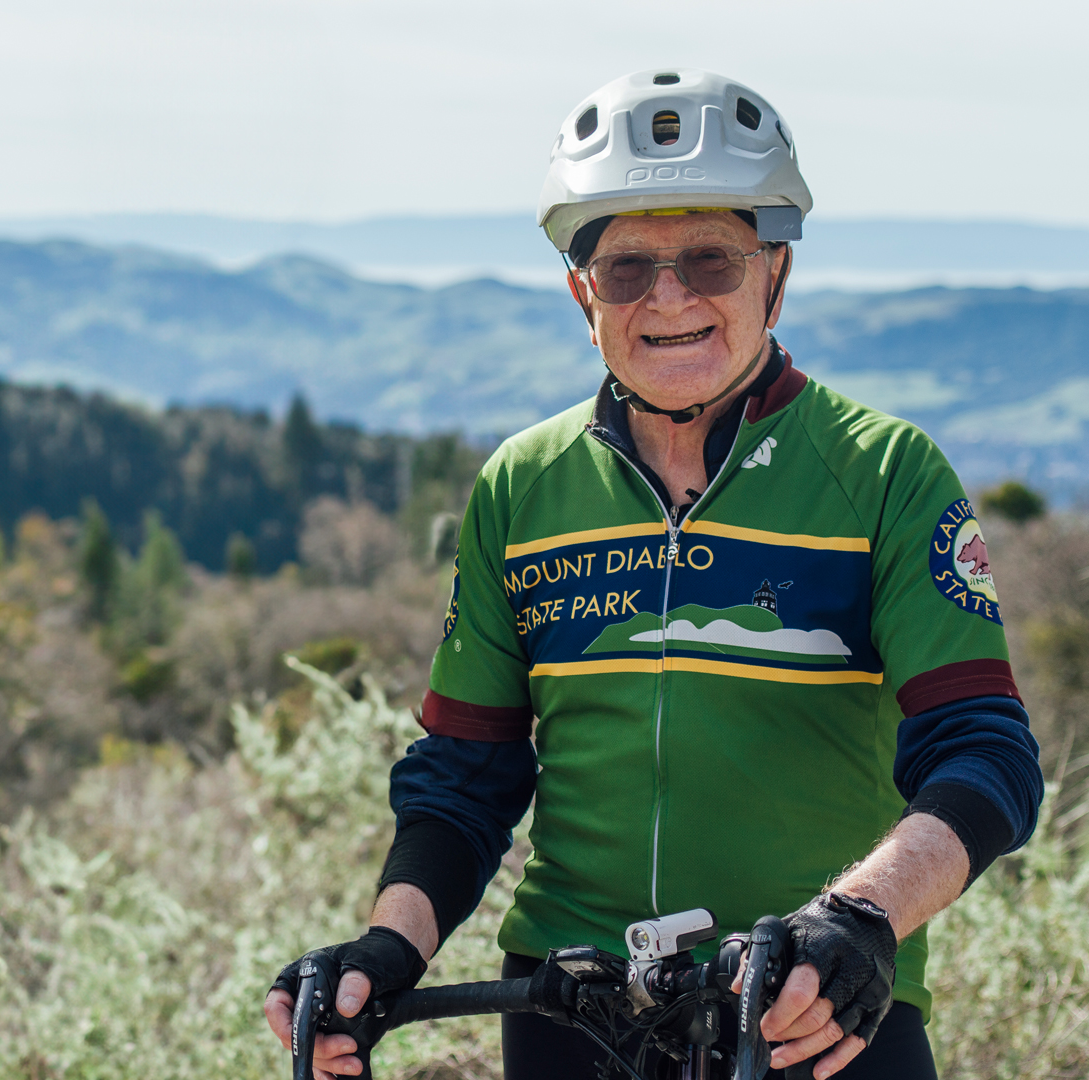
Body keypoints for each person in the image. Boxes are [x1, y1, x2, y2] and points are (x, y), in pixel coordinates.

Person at [265, 68, 1043, 1080]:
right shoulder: (524, 487)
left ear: (776, 271)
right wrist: (388, 950)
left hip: (814, 1003)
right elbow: (466, 780)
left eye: (710, 260)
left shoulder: (884, 473)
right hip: (569, 1012)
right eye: (627, 269)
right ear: (582, 291)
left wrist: (861, 915)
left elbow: (985, 757)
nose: (669, 297)